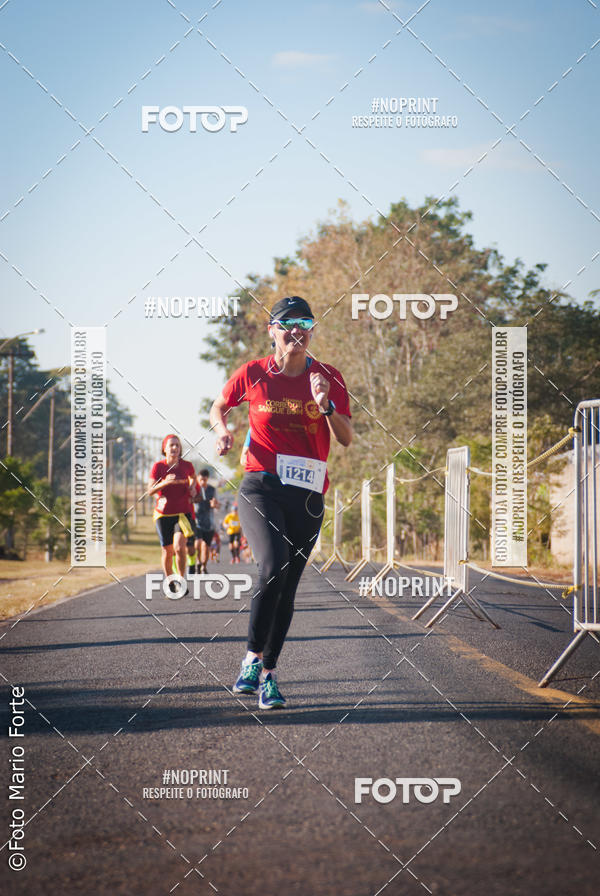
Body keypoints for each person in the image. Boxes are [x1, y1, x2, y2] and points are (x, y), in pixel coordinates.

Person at [210, 295, 352, 709]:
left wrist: (324, 404)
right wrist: (222, 432)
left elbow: (345, 437)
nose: (297, 330)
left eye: (305, 322)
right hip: (261, 485)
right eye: (287, 323)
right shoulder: (254, 373)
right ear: (271, 329)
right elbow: (220, 405)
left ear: (312, 330)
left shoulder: (329, 376)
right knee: (272, 567)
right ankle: (252, 659)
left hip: (307, 494)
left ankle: (269, 673)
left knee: (287, 586)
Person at [148, 434, 196, 594]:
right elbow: (150, 491)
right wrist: (165, 483)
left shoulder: (187, 465)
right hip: (163, 514)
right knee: (167, 551)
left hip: (182, 513)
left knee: (179, 546)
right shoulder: (158, 467)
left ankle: (181, 581)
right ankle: (170, 581)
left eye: (177, 445)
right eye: (171, 445)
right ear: (164, 448)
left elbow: (193, 479)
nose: (175, 448)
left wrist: (193, 487)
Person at [193, 469, 219, 574]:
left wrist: (215, 505)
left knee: (206, 546)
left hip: (209, 522)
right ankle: (198, 561)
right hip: (196, 521)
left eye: (205, 480)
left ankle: (203, 566)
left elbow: (217, 504)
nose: (203, 482)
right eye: (201, 479)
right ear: (197, 478)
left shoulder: (212, 490)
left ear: (207, 479)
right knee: (198, 543)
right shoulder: (194, 489)